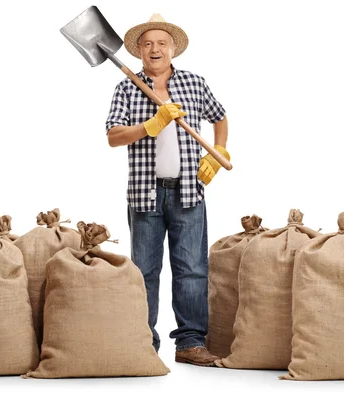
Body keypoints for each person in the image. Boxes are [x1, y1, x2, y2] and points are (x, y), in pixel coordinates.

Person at [105, 13, 230, 367]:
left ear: (173, 49)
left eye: (161, 43)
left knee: (192, 269)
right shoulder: (127, 87)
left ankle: (191, 343)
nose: (154, 49)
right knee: (143, 270)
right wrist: (149, 125)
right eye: (147, 44)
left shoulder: (194, 83)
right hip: (145, 194)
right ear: (138, 51)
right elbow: (113, 136)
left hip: (189, 191)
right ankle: (143, 343)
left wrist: (218, 152)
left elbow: (219, 116)